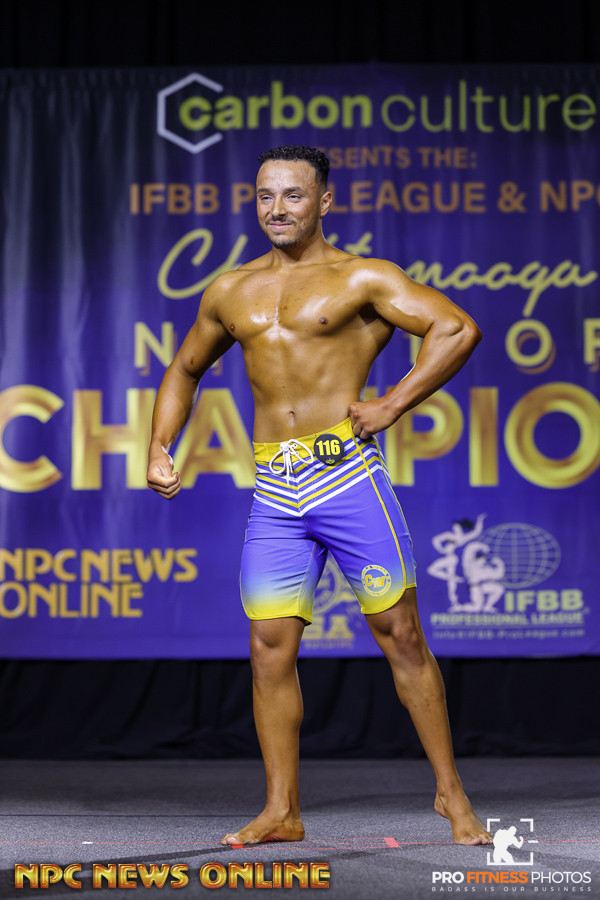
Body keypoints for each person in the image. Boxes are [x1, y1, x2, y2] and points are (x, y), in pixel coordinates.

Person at [147, 145, 491, 847]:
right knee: (268, 649)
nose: (277, 209)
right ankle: (283, 810)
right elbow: (184, 369)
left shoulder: (362, 276)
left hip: (348, 479)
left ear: (324, 201)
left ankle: (451, 795)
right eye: (266, 195)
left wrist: (393, 403)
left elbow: (456, 328)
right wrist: (159, 445)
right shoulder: (230, 290)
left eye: (294, 195)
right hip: (276, 488)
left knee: (401, 636)